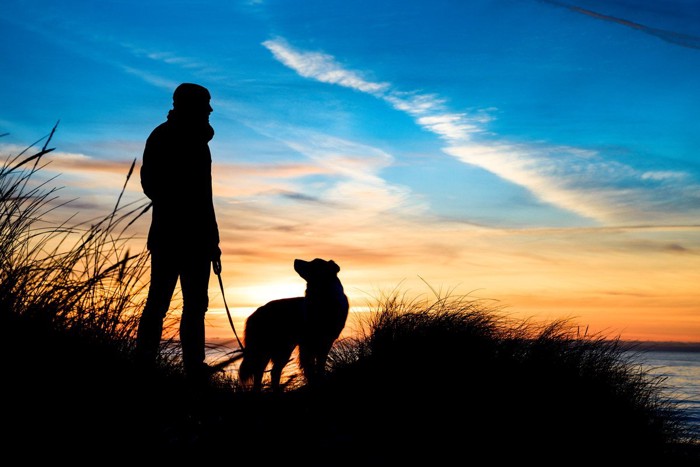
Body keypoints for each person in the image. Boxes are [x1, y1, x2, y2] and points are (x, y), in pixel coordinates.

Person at [135, 83, 222, 380]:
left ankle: (193, 369)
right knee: (158, 303)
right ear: (190, 106)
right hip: (170, 237)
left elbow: (205, 198)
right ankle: (144, 364)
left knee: (195, 306)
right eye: (205, 104)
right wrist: (182, 211)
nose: (210, 110)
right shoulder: (164, 136)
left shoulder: (200, 142)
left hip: (197, 240)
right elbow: (151, 185)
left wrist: (212, 240)